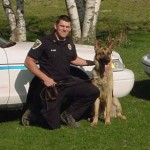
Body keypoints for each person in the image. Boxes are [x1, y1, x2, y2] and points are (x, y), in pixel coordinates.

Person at [21, 15, 100, 130]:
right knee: (53, 125)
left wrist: (92, 62)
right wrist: (45, 79)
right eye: (62, 26)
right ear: (55, 26)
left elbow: (73, 59)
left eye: (67, 27)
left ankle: (69, 115)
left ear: (70, 28)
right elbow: (28, 62)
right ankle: (31, 114)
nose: (65, 29)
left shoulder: (68, 42)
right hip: (51, 85)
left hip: (67, 82)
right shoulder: (44, 42)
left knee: (92, 91)